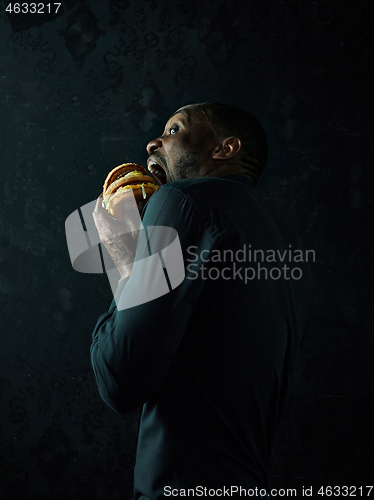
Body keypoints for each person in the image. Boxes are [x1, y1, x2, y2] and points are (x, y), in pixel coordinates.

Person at [91, 103, 314, 499]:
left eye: (174, 130)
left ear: (225, 148)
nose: (153, 142)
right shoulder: (283, 233)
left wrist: (125, 256)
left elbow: (119, 378)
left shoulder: (182, 200)